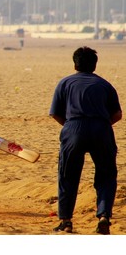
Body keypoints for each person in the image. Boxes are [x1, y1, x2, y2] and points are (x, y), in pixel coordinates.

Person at [49, 46, 122, 234]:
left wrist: (70, 126)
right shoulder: (105, 85)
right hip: (102, 129)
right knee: (106, 175)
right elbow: (118, 114)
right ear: (95, 65)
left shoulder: (65, 83)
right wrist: (102, 125)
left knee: (68, 174)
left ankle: (66, 220)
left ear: (75, 64)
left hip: (74, 128)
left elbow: (55, 113)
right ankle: (104, 216)